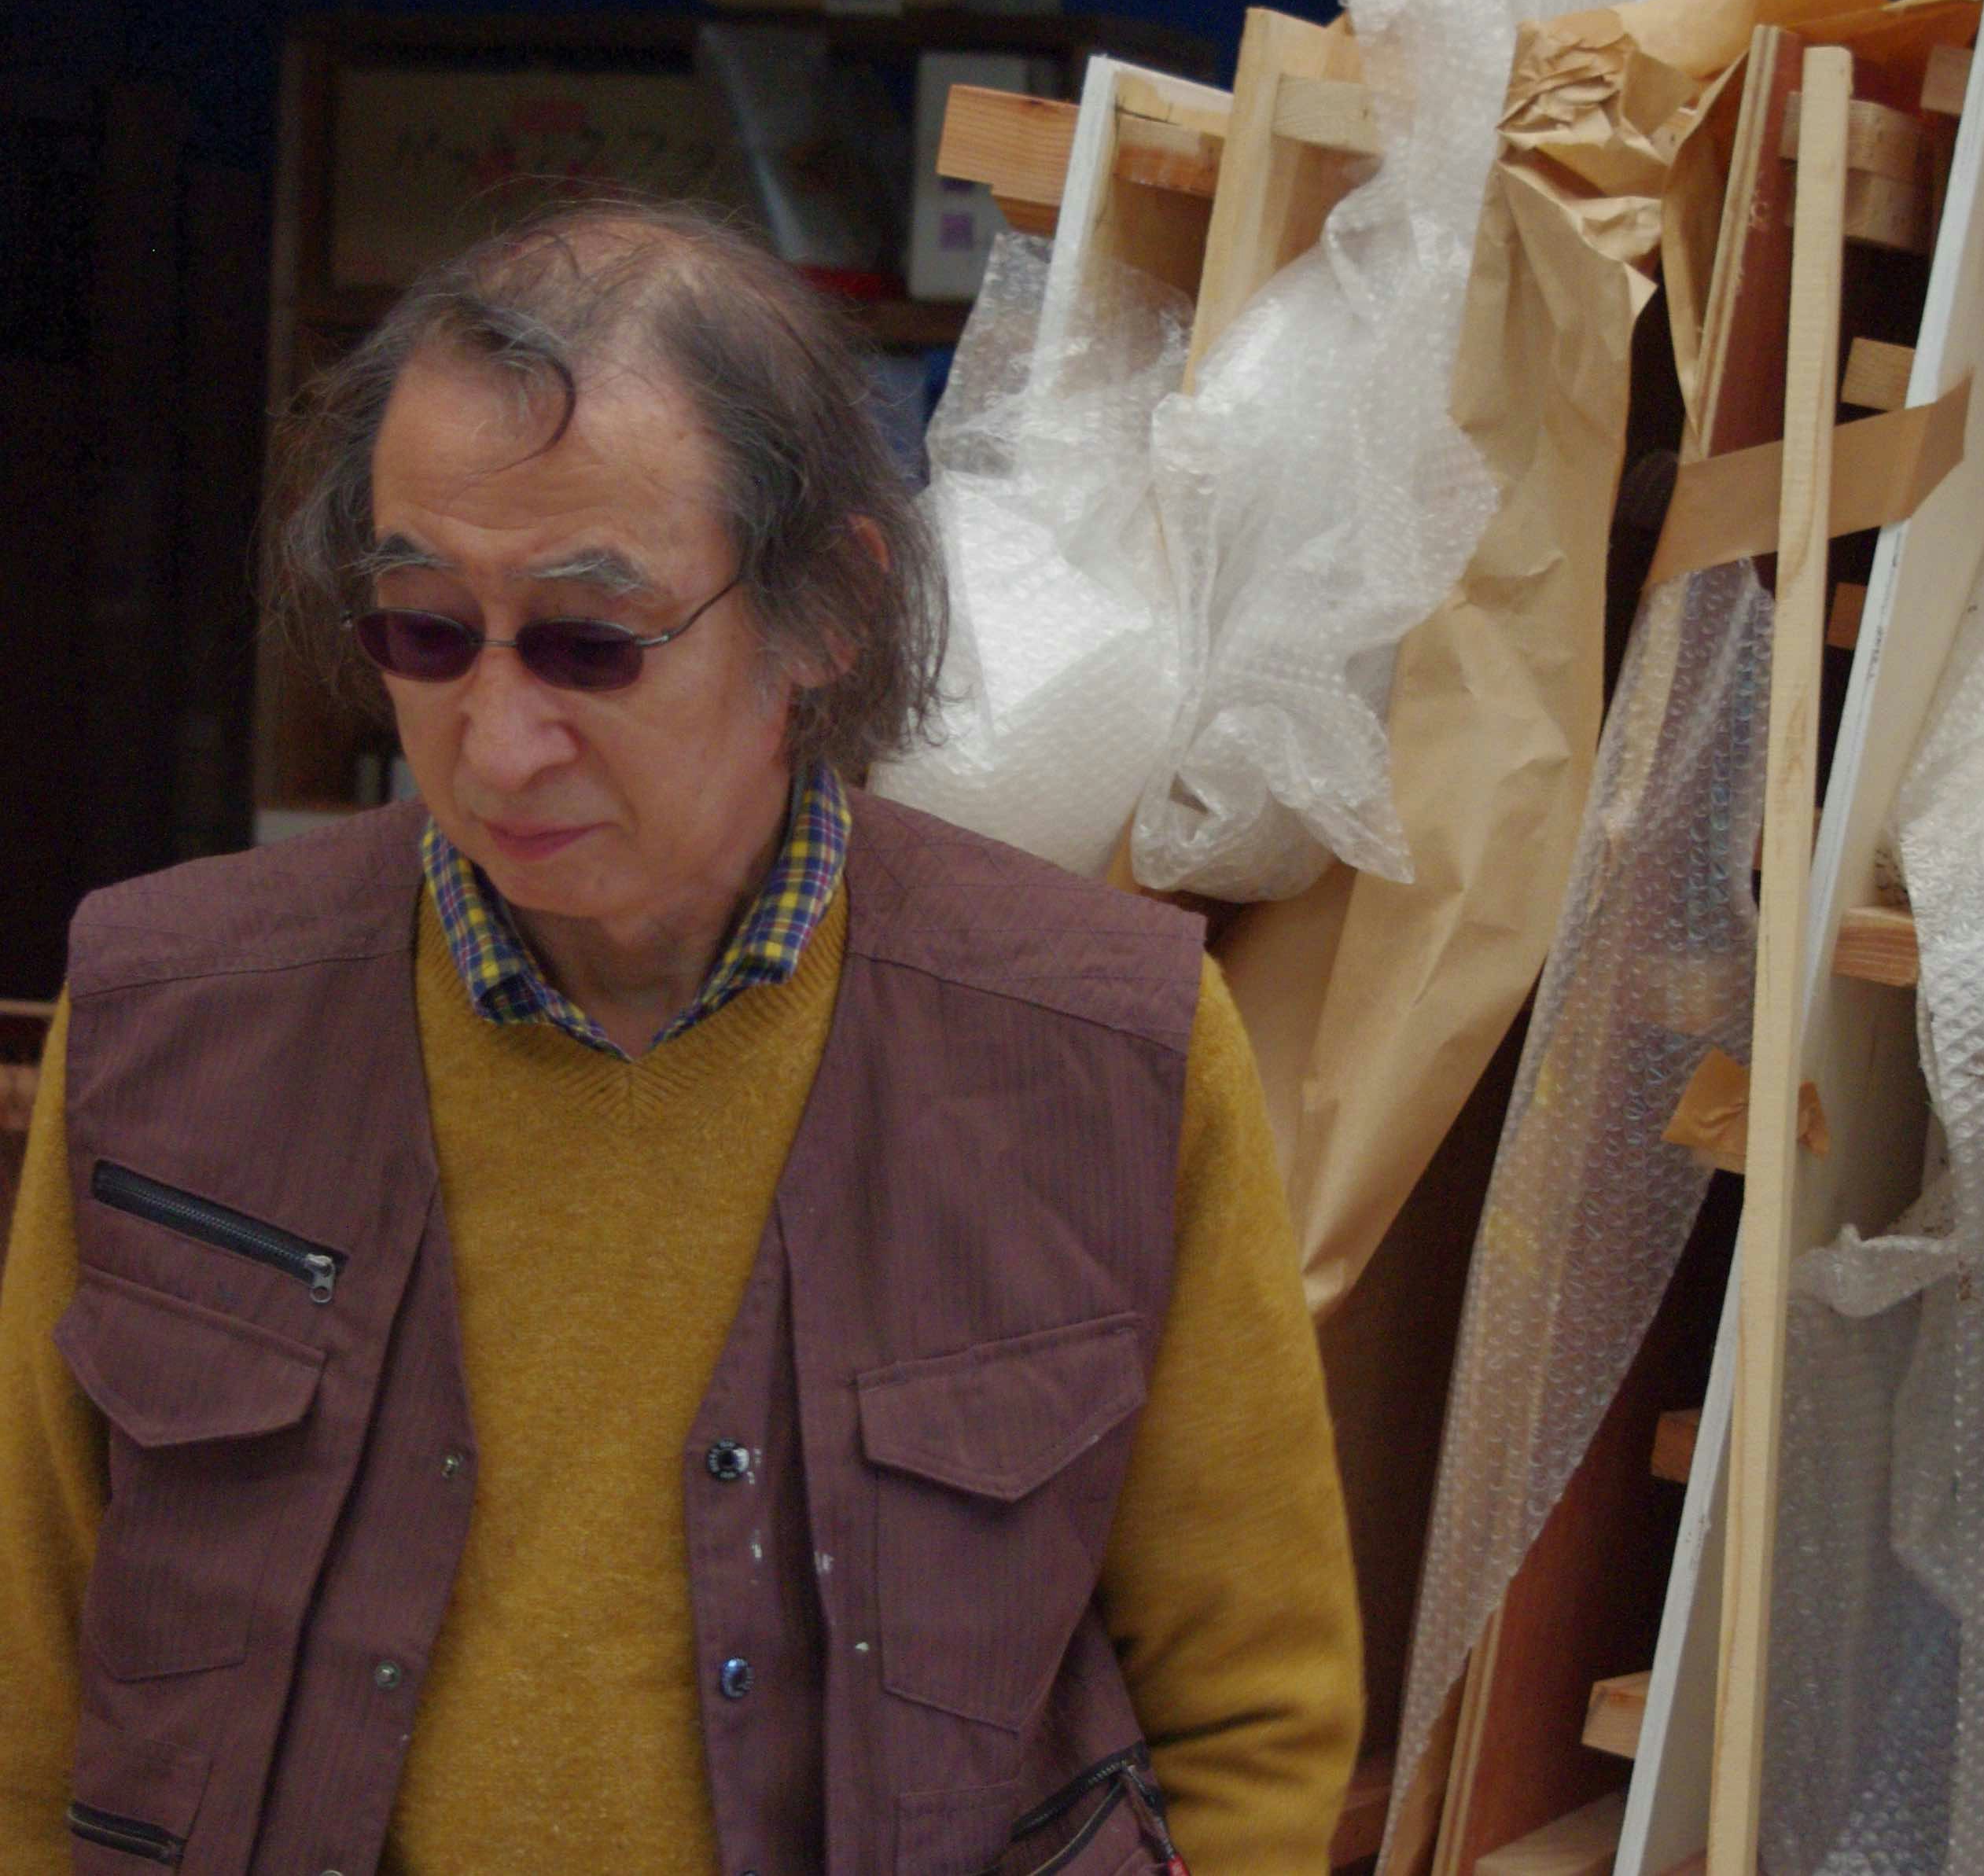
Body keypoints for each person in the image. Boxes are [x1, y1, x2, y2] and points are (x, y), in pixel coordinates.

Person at [0, 202, 1361, 1874]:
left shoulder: (1101, 1052)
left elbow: (1252, 1712)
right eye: (424, 628)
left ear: (822, 611)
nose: (497, 743)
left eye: (591, 641)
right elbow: (33, 1697)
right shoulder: (165, 1023)